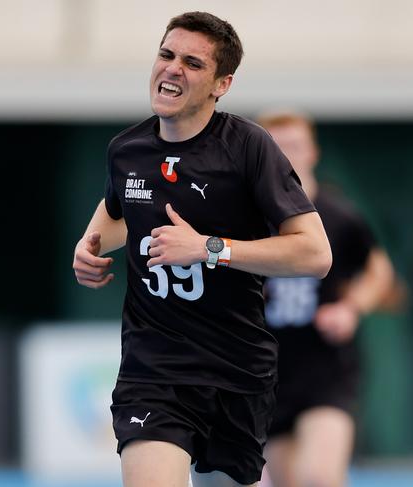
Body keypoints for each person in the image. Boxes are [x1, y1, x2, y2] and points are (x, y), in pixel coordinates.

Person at [72, 12, 332, 487]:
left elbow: (315, 255)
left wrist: (209, 248)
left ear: (221, 83)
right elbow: (119, 210)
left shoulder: (249, 148)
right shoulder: (126, 150)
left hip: (235, 371)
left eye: (192, 63)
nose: (172, 69)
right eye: (166, 55)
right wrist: (88, 248)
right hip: (152, 368)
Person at [256, 112, 394, 487]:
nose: (287, 157)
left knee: (318, 476)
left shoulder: (339, 216)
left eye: (295, 146)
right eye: (276, 148)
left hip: (328, 370)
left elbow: (379, 270)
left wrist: (351, 309)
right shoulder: (246, 219)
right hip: (269, 375)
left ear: (313, 152)